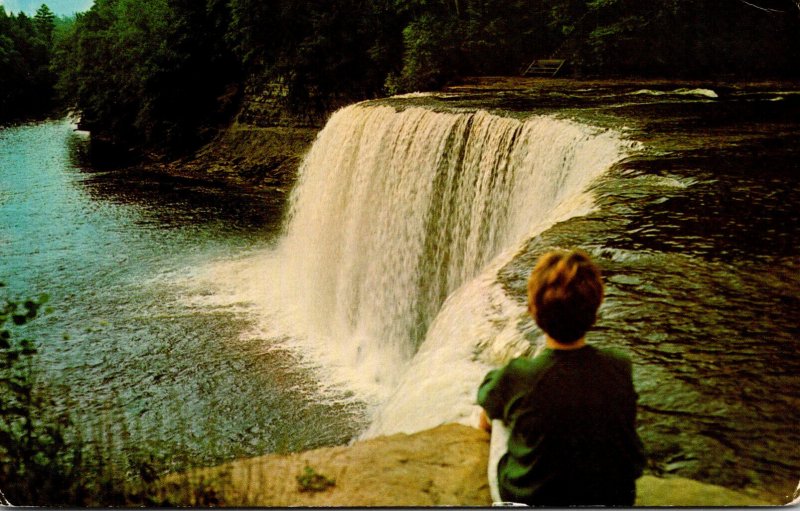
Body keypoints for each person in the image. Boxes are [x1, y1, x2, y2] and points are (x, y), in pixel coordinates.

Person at [477, 249, 646, 506]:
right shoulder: (619, 366)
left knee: (498, 413)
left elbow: (486, 395)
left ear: (533, 310)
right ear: (596, 308)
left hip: (532, 501)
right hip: (613, 500)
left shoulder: (520, 375)